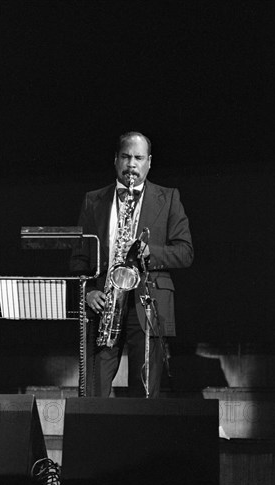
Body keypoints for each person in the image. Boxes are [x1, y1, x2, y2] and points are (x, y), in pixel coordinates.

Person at [70, 131, 193, 397]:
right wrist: (89, 290)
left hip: (148, 304)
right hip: (105, 305)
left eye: (138, 158)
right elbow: (79, 259)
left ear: (149, 162)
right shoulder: (93, 200)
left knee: (145, 394)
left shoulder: (169, 197)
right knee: (93, 391)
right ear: (116, 160)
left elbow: (185, 252)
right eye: (126, 157)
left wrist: (149, 252)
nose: (131, 164)